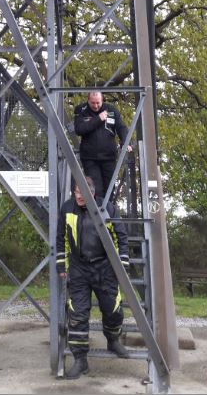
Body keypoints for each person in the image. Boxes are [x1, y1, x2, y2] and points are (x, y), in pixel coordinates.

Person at [56, 176, 130, 379]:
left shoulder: (109, 209)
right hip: (79, 268)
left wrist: (121, 265)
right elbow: (61, 238)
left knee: (112, 309)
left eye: (83, 193)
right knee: (77, 314)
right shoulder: (67, 208)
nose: (79, 196)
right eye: (76, 192)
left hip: (105, 267)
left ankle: (113, 340)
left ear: (92, 193)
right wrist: (61, 264)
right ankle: (80, 360)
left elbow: (121, 237)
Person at [74, 90, 132, 199]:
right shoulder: (81, 110)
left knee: (110, 189)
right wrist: (98, 119)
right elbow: (79, 129)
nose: (95, 106)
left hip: (109, 156)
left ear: (102, 100)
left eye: (98, 103)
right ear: (88, 100)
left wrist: (125, 142)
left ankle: (108, 213)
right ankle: (98, 214)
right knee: (96, 189)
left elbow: (121, 127)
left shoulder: (111, 110)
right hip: (90, 158)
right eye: (93, 103)